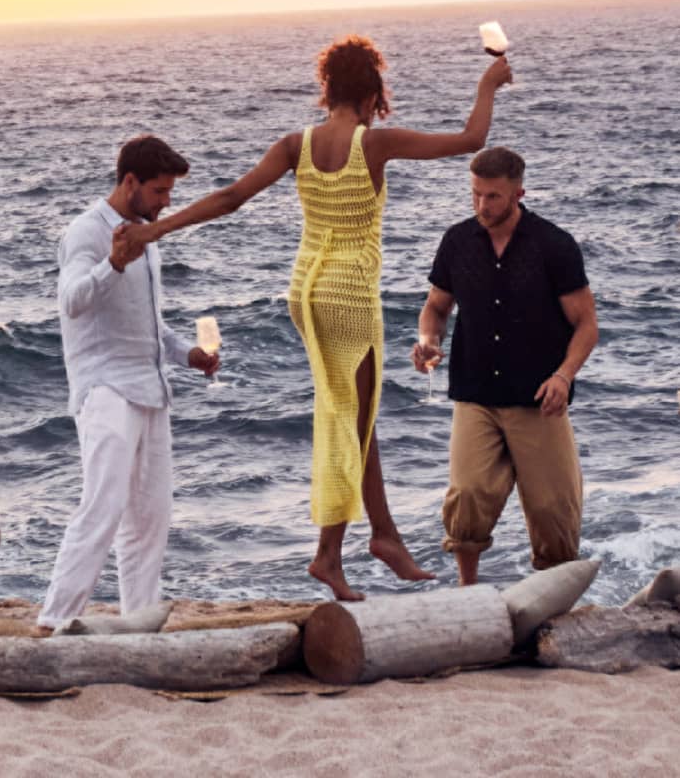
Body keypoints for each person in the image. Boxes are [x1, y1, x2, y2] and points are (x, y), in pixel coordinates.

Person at [124, 38, 514, 600]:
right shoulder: (373, 145)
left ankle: (383, 535)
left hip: (305, 291)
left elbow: (231, 197)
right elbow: (473, 140)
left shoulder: (295, 145)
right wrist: (487, 85)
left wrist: (155, 229)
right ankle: (330, 555)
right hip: (349, 295)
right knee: (349, 422)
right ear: (372, 92)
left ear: (327, 88)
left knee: (357, 412)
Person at [36, 134, 219, 631]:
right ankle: (53, 622)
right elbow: (71, 300)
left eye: (170, 193)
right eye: (160, 192)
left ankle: (138, 624)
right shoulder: (87, 233)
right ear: (130, 181)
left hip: (151, 389)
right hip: (106, 390)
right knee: (103, 508)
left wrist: (190, 355)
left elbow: (149, 325)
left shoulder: (145, 235)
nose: (167, 203)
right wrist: (112, 263)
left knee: (150, 518)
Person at [412, 145, 597, 581]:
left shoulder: (554, 246)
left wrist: (563, 376)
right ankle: (467, 590)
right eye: (475, 194)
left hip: (539, 398)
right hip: (475, 392)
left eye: (492, 196)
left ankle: (552, 602)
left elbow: (586, 325)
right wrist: (427, 341)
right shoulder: (457, 241)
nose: (481, 205)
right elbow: (435, 307)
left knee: (554, 509)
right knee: (469, 495)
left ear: (518, 194)